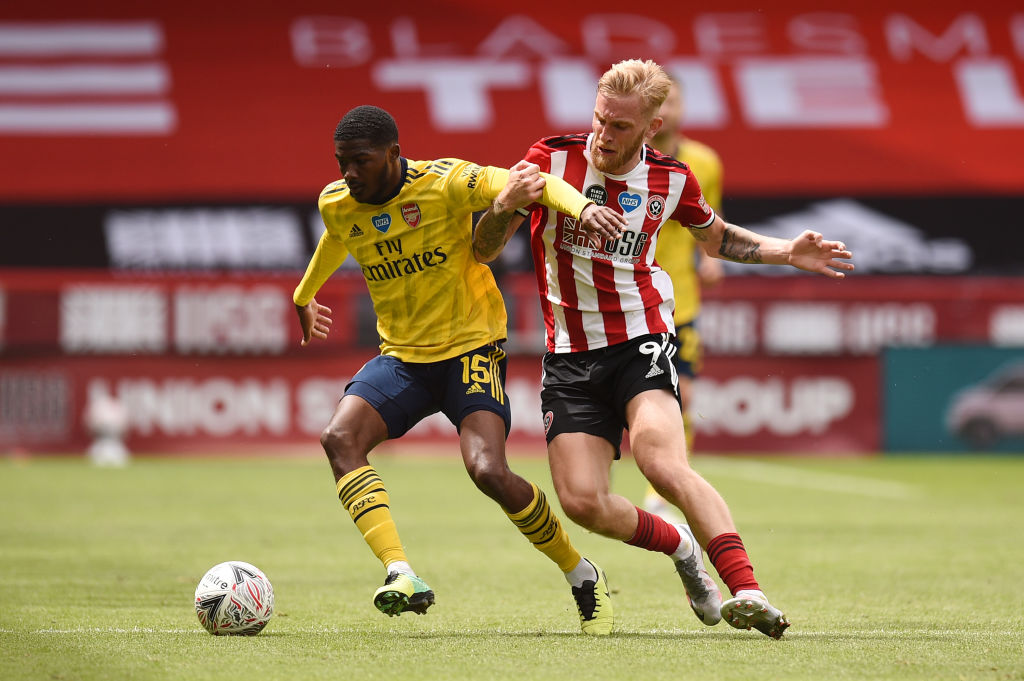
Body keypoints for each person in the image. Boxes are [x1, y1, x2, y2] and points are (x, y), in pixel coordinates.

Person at [474, 59, 854, 639]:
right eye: (600, 119)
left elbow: (717, 238)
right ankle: (680, 548)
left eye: (621, 127)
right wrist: (502, 206)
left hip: (642, 339)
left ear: (651, 127)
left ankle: (747, 588)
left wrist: (786, 252)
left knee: (662, 463)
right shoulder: (549, 161)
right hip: (570, 358)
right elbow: (482, 250)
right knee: (581, 501)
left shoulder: (673, 179)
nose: (604, 135)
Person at [292, 105, 627, 635]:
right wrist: (304, 295)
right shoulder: (337, 203)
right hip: (403, 358)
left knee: (488, 472)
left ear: (394, 155)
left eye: (360, 161)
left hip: (471, 349)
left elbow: (531, 182)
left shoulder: (446, 182)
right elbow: (337, 237)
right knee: (339, 438)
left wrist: (582, 209)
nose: (349, 173)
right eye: (342, 163)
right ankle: (400, 571)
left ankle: (581, 573)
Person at [642, 78, 724, 520]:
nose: (667, 110)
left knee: (682, 397)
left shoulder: (704, 162)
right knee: (641, 402)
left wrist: (711, 258)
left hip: (682, 302)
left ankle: (664, 488)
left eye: (672, 101)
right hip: (631, 300)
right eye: (659, 102)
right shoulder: (619, 160)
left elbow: (711, 221)